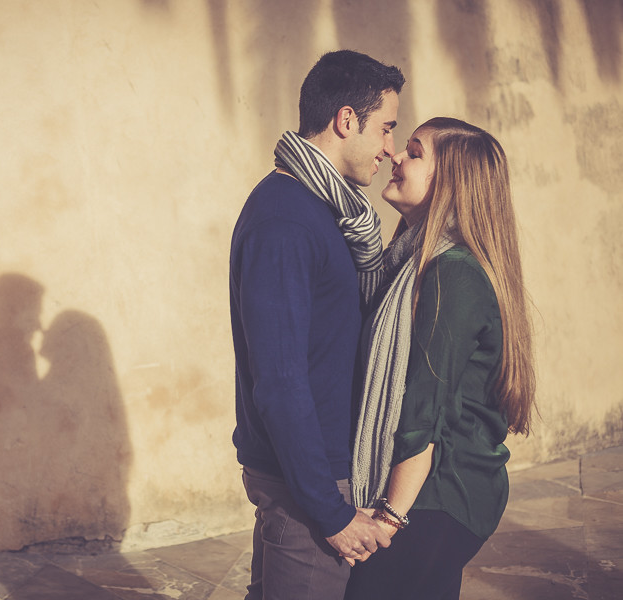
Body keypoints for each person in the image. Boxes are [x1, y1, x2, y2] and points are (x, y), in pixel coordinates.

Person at [230, 50, 405, 600]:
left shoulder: (324, 212)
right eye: (385, 129)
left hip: (314, 471)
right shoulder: (286, 218)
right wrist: (329, 511)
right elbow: (280, 381)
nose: (389, 150)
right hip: (308, 482)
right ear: (346, 120)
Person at [345, 117, 537, 600]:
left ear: (449, 182)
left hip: (438, 497)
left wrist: (387, 518)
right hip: (436, 494)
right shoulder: (417, 261)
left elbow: (421, 413)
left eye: (413, 152)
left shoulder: (450, 273)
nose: (395, 156)